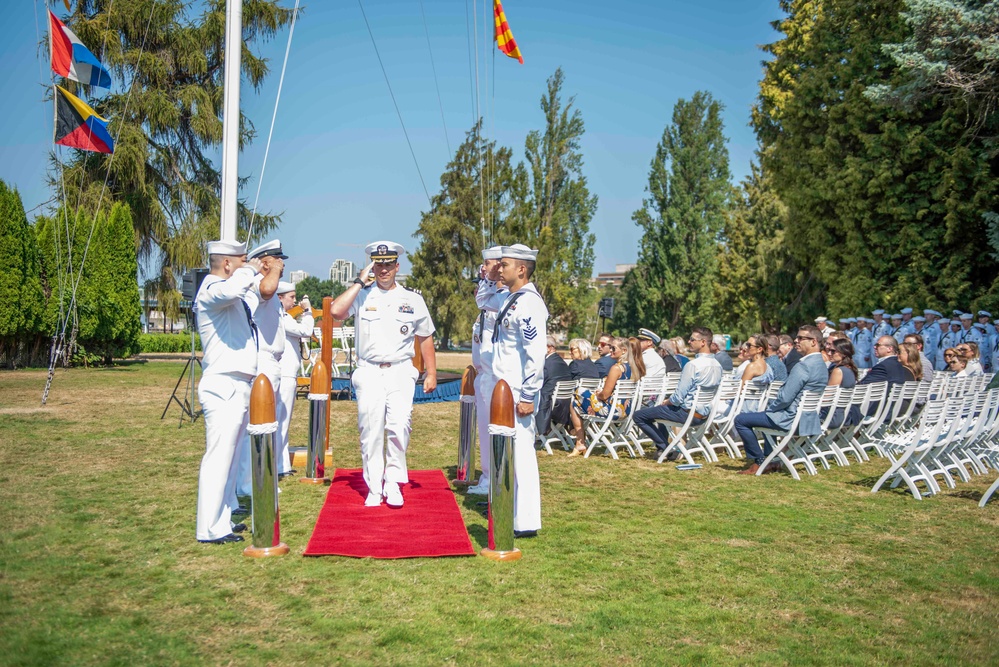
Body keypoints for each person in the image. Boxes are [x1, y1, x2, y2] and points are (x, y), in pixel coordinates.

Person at [330, 241, 437, 508]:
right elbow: (335, 312)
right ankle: (374, 486)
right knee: (370, 430)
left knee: (399, 427)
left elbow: (425, 338)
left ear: (397, 266)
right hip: (369, 371)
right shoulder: (363, 295)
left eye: (389, 264)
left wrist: (431, 372)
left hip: (400, 370)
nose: (384, 270)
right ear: (373, 267)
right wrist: (358, 281)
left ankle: (393, 482)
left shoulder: (412, 299)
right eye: (379, 265)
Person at [194, 239, 269, 544]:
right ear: (227, 264)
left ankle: (222, 519)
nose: (246, 264)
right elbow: (233, 289)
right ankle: (208, 528)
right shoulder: (213, 289)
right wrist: (248, 270)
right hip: (223, 383)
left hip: (238, 383)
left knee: (230, 456)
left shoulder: (231, 294)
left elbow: (255, 295)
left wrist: (259, 270)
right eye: (241, 260)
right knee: (219, 457)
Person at [475, 244, 548, 537]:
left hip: (519, 391)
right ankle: (511, 508)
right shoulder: (513, 299)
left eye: (503, 264)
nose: (498, 269)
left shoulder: (529, 303)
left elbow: (535, 353)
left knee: (522, 454)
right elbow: (483, 301)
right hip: (505, 390)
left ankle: (526, 520)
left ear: (521, 269)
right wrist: (489, 278)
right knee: (508, 452)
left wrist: (529, 394)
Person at [734, 325, 829, 475]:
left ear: (814, 341)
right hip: (808, 419)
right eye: (797, 337)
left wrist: (771, 409)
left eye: (801, 338)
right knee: (765, 417)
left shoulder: (803, 366)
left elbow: (785, 397)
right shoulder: (821, 365)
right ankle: (772, 461)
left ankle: (759, 462)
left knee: (741, 420)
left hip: (791, 419)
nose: (796, 341)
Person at [235, 240, 288, 496]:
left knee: (267, 423)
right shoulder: (260, 283)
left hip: (272, 361)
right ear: (265, 261)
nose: (282, 265)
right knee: (257, 424)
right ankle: (248, 482)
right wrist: (272, 270)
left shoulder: (268, 283)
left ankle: (258, 476)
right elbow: (267, 289)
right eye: (277, 260)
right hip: (263, 360)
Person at [631, 327, 723, 459]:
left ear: (703, 342)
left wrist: (667, 402)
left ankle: (664, 447)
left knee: (639, 416)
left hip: (687, 414)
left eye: (692, 339)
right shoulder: (717, 365)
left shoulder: (693, 365)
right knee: (660, 412)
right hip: (704, 415)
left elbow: (677, 398)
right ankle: (664, 448)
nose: (689, 341)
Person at [467, 246, 504, 496]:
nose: (480, 284)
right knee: (484, 429)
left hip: (498, 377)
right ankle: (487, 476)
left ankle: (497, 478)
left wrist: (490, 279)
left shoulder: (503, 300)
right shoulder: (484, 309)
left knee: (496, 429)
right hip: (484, 376)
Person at [568, 336, 633, 456]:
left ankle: (580, 441)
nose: (611, 350)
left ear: (624, 351)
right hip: (626, 410)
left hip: (611, 411)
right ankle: (579, 439)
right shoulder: (631, 368)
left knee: (576, 394)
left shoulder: (616, 368)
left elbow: (604, 395)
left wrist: (598, 393)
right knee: (579, 395)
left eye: (613, 348)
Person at [276, 281, 314, 478]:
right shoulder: (280, 316)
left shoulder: (282, 316)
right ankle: (278, 465)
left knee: (284, 420)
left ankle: (281, 464)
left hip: (286, 373)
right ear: (280, 297)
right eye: (291, 297)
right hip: (283, 374)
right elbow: (305, 331)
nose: (294, 301)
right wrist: (307, 312)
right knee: (281, 420)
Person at [536, 335, 572, 438]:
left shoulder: (546, 364)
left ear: (549, 347)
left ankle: (536, 432)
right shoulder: (562, 362)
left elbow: (538, 383)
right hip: (564, 404)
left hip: (550, 404)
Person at [824, 336, 860, 427]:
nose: (829, 353)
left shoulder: (838, 371)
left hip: (833, 417)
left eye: (833, 351)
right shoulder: (850, 368)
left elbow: (827, 398)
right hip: (846, 414)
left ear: (843, 353)